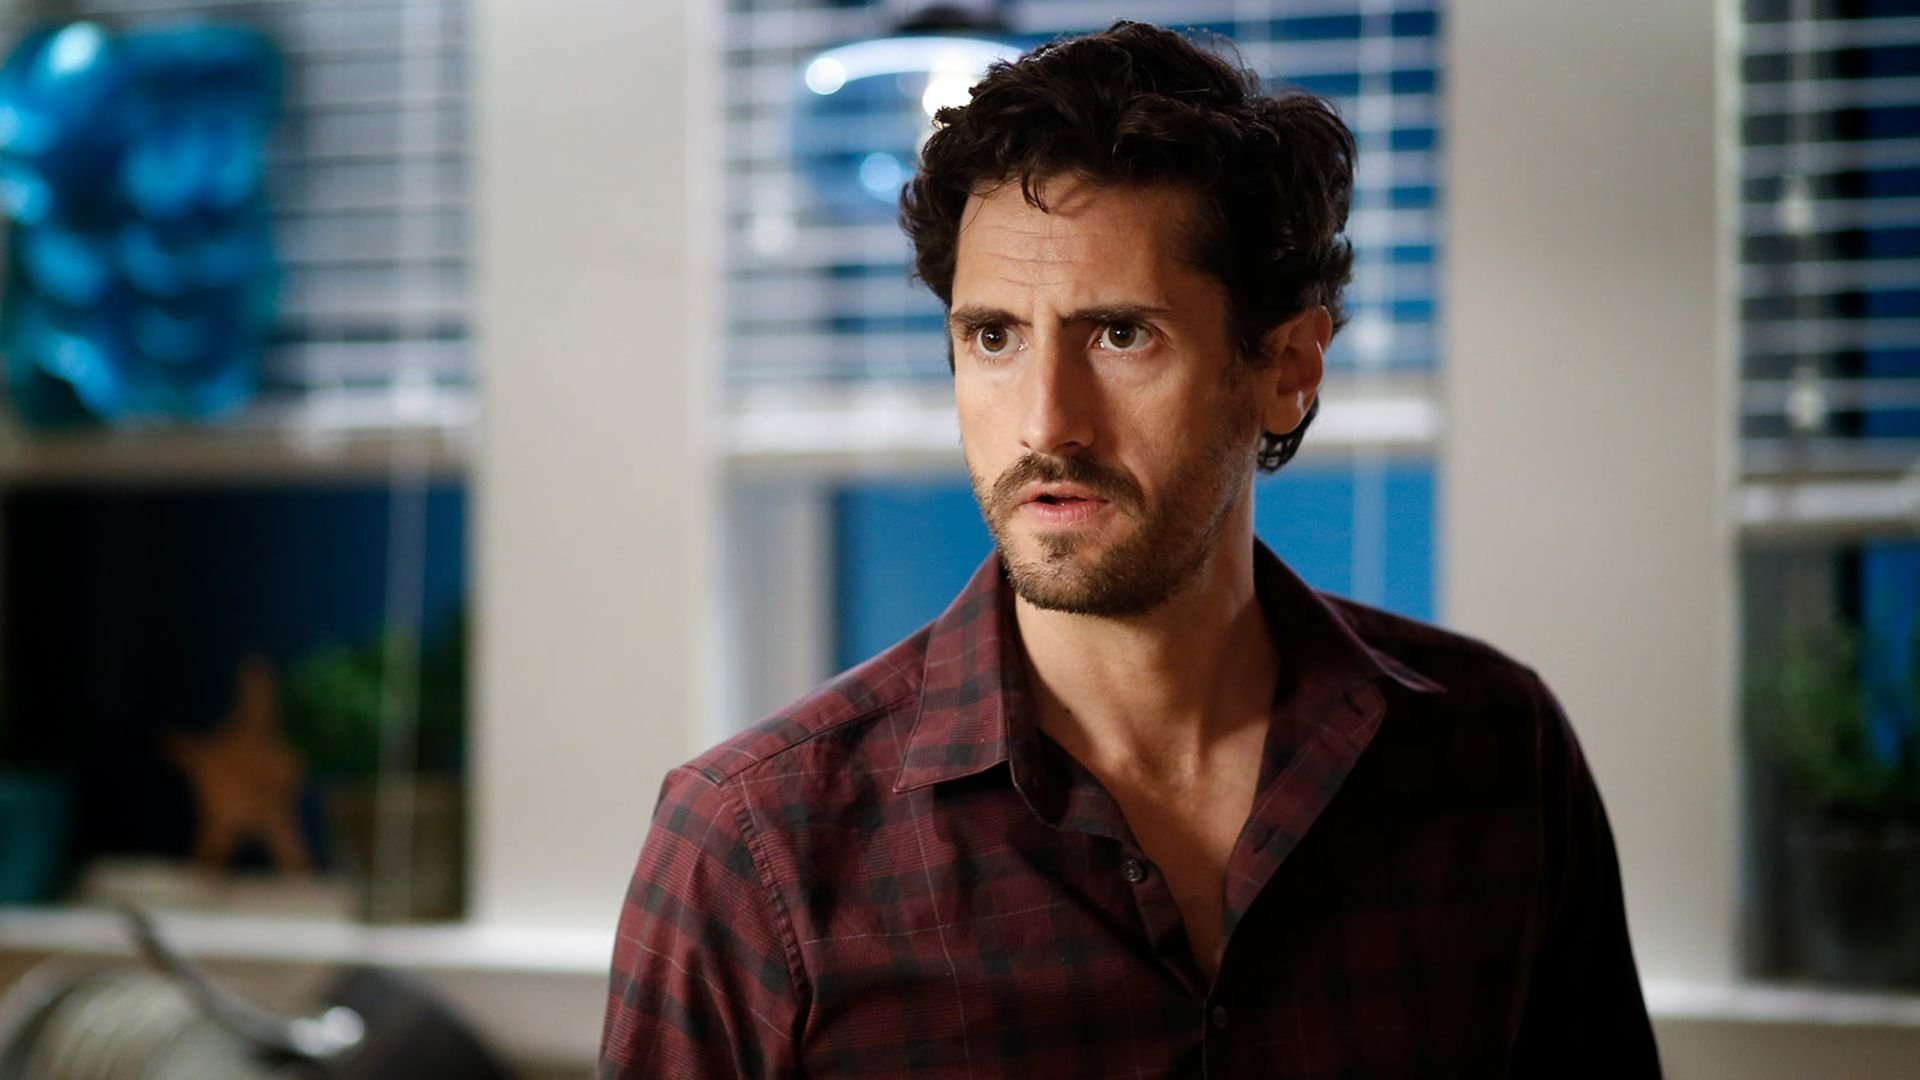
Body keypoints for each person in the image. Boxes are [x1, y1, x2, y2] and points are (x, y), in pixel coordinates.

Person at [600, 20, 1659, 1078]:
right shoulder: (755, 848)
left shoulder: (1496, 755)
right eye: (994, 337)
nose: (1046, 424)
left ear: (1288, 368)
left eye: (1120, 334)